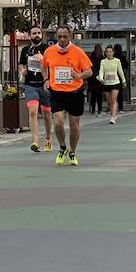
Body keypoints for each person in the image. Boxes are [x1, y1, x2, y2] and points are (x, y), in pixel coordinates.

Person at [41, 25, 93, 166]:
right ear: (55, 37)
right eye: (59, 36)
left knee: (74, 124)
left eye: (65, 36)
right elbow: (43, 66)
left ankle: (72, 151)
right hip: (57, 92)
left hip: (74, 92)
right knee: (58, 121)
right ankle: (62, 147)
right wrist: (46, 80)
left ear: (70, 36)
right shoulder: (49, 51)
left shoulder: (78, 52)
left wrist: (78, 75)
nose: (62, 39)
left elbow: (89, 72)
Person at [19, 24, 54, 153]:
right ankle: (35, 141)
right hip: (30, 85)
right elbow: (21, 64)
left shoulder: (48, 49)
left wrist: (43, 60)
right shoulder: (25, 50)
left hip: (44, 84)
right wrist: (23, 70)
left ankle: (48, 138)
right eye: (34, 33)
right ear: (29, 36)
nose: (37, 35)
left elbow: (53, 65)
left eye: (39, 33)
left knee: (46, 113)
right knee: (33, 111)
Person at [97, 45, 127, 124]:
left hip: (115, 83)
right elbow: (101, 71)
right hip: (106, 83)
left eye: (110, 52)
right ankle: (113, 114)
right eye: (107, 52)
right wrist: (101, 79)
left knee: (113, 100)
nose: (108, 53)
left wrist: (123, 81)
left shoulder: (117, 61)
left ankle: (113, 117)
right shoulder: (103, 62)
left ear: (113, 52)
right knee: (109, 101)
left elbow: (120, 71)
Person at [86, 44, 105, 115]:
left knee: (93, 95)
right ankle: (99, 110)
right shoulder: (102, 58)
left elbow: (89, 67)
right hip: (99, 78)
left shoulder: (91, 57)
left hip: (92, 78)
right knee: (99, 95)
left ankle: (93, 109)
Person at [113, 43, 131, 112]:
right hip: (120, 76)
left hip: (113, 75)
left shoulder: (113, 56)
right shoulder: (122, 56)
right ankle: (120, 108)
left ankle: (113, 107)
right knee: (120, 93)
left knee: (113, 92)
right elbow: (126, 66)